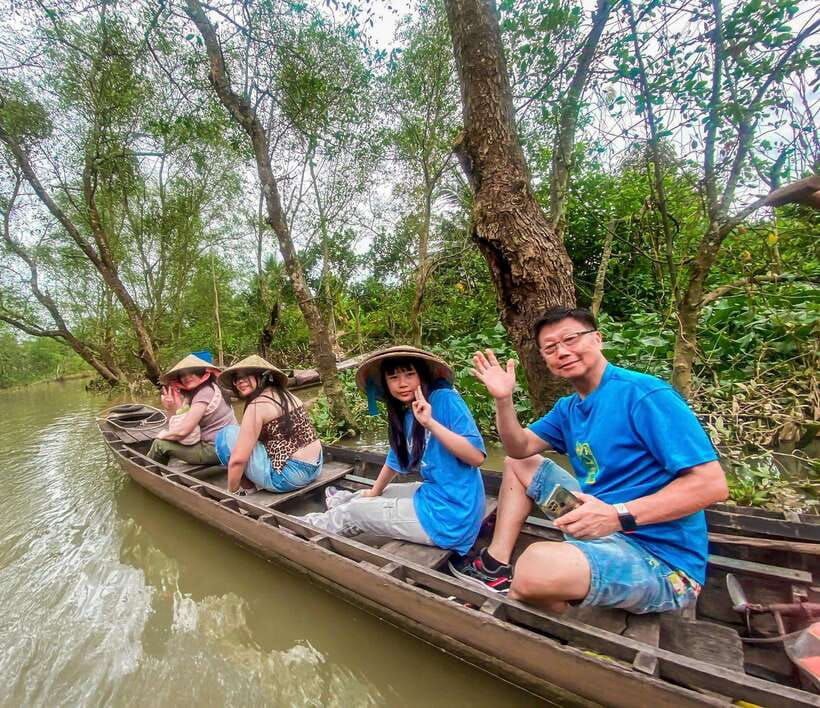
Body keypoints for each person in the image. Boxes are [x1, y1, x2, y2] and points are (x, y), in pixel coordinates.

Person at [449, 307, 729, 614]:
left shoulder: (644, 395)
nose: (563, 351)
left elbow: (711, 485)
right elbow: (518, 448)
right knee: (520, 464)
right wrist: (503, 400)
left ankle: (560, 606)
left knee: (533, 567)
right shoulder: (568, 408)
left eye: (571, 339)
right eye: (551, 348)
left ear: (597, 339)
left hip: (660, 563)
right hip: (598, 524)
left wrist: (617, 516)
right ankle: (495, 564)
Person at [300, 346, 487, 555]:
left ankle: (302, 527)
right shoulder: (408, 415)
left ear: (422, 375)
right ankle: (341, 501)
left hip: (452, 518)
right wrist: (374, 492)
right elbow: (396, 458)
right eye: (393, 377)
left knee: (353, 513)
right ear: (386, 383)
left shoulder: (444, 398)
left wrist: (430, 424)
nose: (402, 383)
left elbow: (476, 457)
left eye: (409, 374)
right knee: (376, 494)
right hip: (438, 495)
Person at [214, 355, 322, 495]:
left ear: (263, 376)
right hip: (316, 467)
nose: (240, 382)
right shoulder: (286, 394)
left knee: (225, 435)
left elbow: (237, 461)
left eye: (246, 376)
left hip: (289, 478)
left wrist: (231, 492)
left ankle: (248, 490)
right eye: (236, 379)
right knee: (239, 433)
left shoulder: (257, 406)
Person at [148, 354, 237, 466]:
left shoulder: (203, 393)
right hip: (230, 445)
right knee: (170, 438)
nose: (187, 377)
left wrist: (161, 435)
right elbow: (179, 423)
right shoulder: (213, 387)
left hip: (216, 450)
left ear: (203, 374)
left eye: (192, 372)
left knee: (159, 444)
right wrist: (170, 408)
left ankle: (147, 473)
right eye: (182, 375)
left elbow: (183, 431)